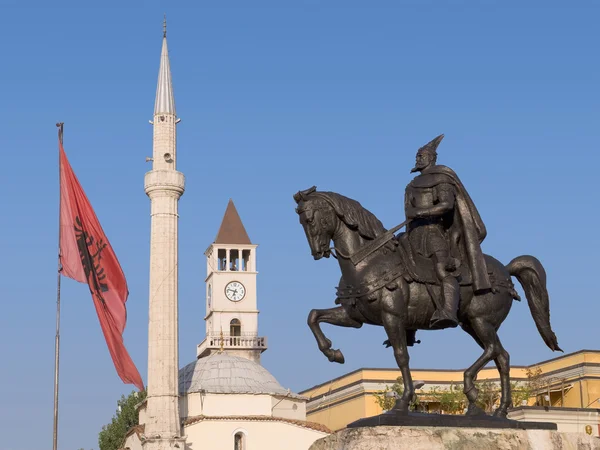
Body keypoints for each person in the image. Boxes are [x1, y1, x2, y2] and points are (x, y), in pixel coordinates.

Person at [404, 134, 491, 329]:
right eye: (417, 156)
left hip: (435, 233)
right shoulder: (411, 185)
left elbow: (446, 205)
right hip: (413, 233)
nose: (418, 159)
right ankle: (407, 325)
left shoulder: (442, 179)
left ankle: (449, 311)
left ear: (432, 158)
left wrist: (420, 212)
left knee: (443, 269)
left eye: (422, 155)